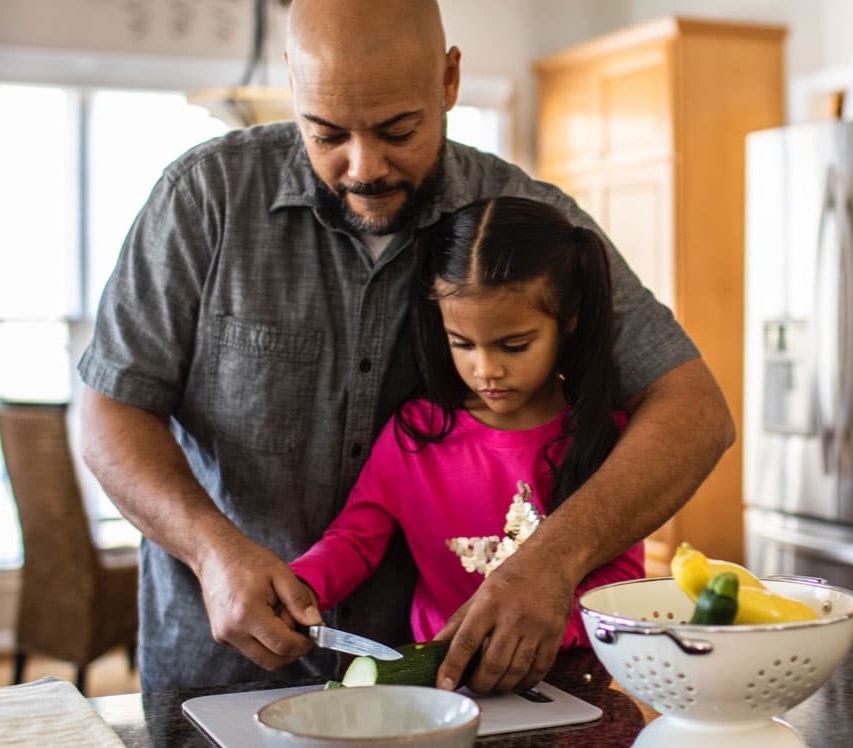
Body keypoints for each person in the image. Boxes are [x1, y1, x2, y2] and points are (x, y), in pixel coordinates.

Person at [78, 0, 734, 693]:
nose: (363, 167)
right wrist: (211, 551)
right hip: (218, 677)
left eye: (397, 130)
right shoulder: (203, 198)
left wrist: (550, 561)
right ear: (293, 83)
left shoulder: (521, 221)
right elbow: (110, 416)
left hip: (437, 689)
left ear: (449, 81)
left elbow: (695, 413)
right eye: (327, 133)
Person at [289, 197, 645, 687]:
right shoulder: (415, 434)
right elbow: (355, 539)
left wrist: (527, 635)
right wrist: (301, 584)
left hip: (568, 682)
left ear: (570, 317)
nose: (486, 370)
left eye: (514, 345)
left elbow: (619, 582)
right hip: (442, 689)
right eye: (462, 343)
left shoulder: (605, 437)